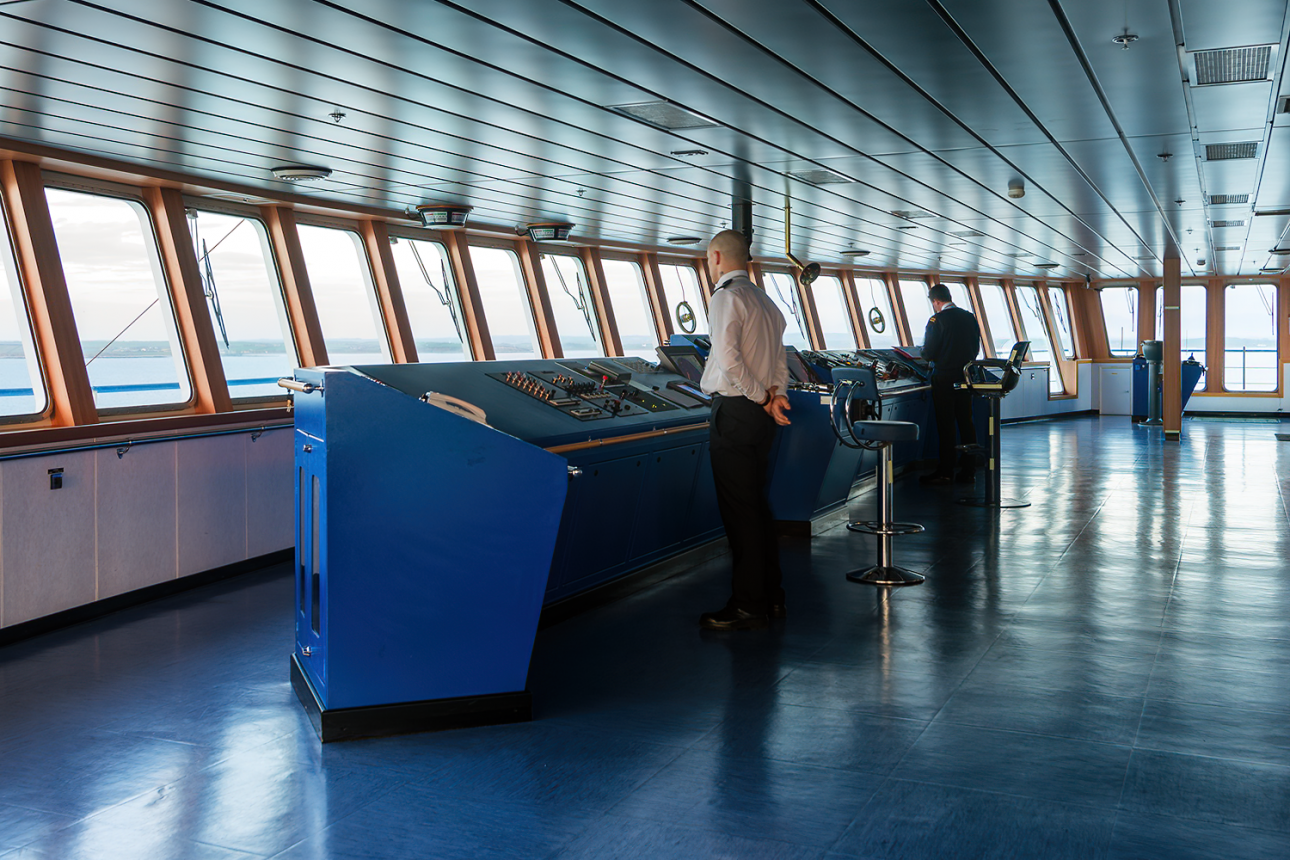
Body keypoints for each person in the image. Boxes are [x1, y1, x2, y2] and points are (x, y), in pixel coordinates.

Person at [697, 230, 792, 631]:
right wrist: (775, 396)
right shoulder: (765, 301)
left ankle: (748, 603)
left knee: (741, 512)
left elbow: (729, 362)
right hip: (760, 418)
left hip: (737, 413)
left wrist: (759, 397)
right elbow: (780, 359)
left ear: (716, 256)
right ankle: (772, 597)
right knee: (757, 506)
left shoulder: (726, 297)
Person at [919, 283, 981, 485]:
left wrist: (923, 354)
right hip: (966, 377)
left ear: (936, 301)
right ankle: (969, 470)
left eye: (934, 304)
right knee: (966, 422)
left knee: (946, 425)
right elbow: (975, 347)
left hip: (944, 378)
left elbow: (929, 352)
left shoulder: (937, 320)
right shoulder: (969, 317)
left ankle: (946, 470)